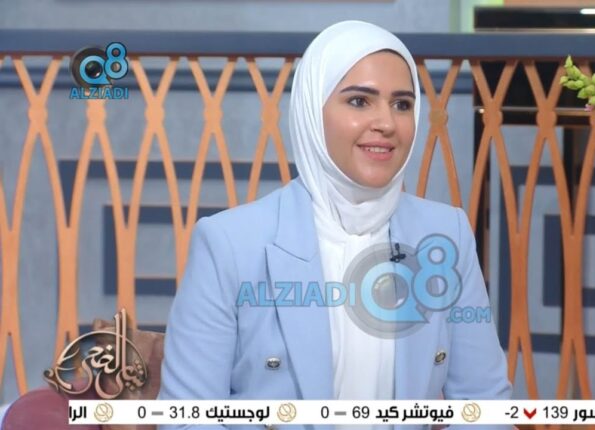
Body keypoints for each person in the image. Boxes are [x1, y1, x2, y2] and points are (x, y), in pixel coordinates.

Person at [158, 20, 512, 430]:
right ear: (313, 111)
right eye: (360, 101)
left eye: (402, 104)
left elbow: (485, 407)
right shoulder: (229, 243)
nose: (386, 123)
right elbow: (185, 421)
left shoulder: (446, 234)